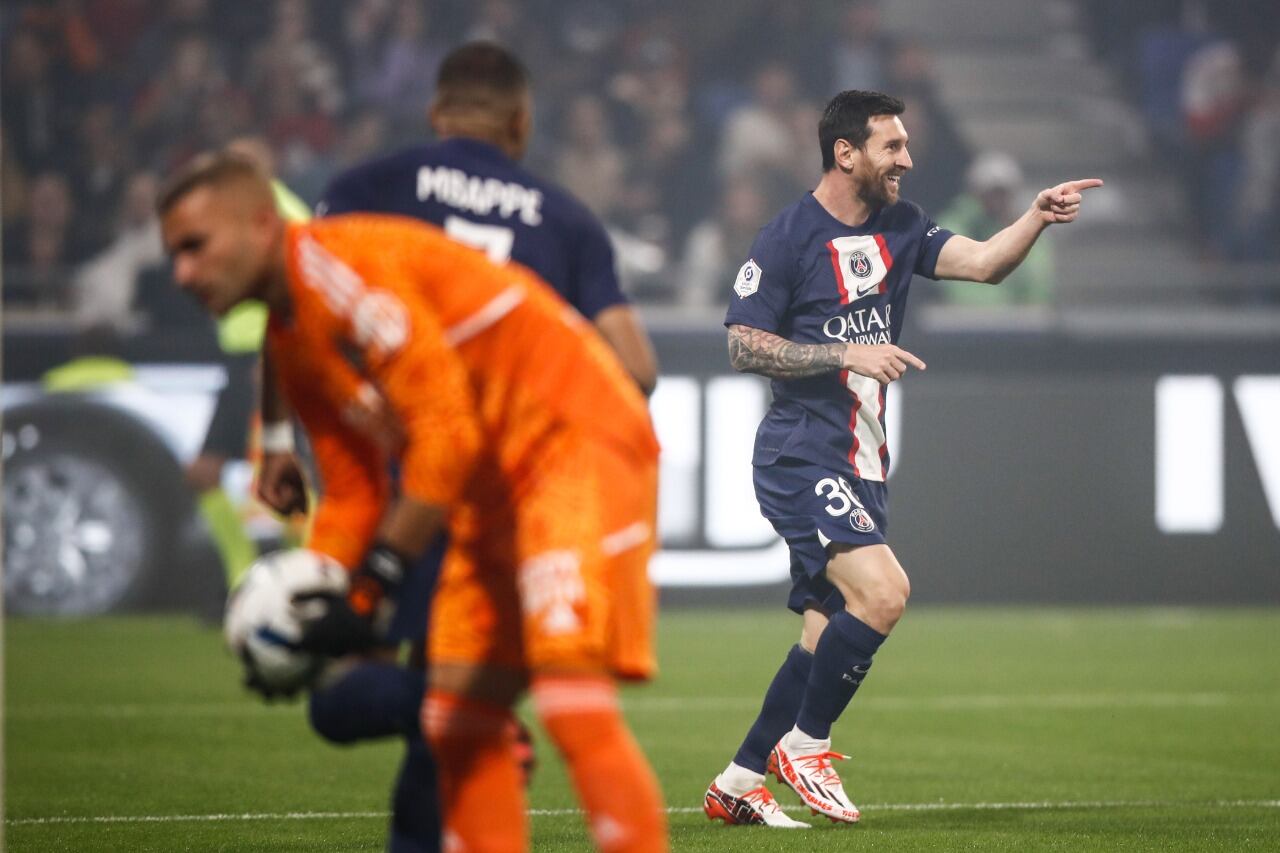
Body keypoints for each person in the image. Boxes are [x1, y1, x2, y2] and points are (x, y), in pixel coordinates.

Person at [158, 152, 668, 853]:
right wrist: (316, 597)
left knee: (567, 694)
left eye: (195, 247)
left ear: (257, 224)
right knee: (455, 716)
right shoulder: (292, 333)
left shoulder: (337, 271)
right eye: (173, 255)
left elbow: (445, 432)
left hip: (571, 441)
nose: (181, 273)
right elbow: (355, 490)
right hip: (487, 488)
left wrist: (373, 582)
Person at [263, 42, 658, 852]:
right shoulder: (565, 216)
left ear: (436, 112)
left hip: (411, 480)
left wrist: (277, 436)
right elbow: (637, 369)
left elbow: (294, 298)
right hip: (509, 484)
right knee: (451, 704)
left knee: (348, 688)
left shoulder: (371, 185)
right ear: (521, 121)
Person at [703, 89, 1100, 828]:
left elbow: (983, 264)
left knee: (827, 626)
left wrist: (1035, 218)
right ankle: (806, 745)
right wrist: (842, 349)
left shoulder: (902, 224)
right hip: (801, 453)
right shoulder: (786, 237)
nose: (908, 160)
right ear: (845, 152)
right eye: (893, 146)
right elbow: (741, 342)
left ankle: (737, 781)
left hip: (863, 459)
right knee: (884, 592)